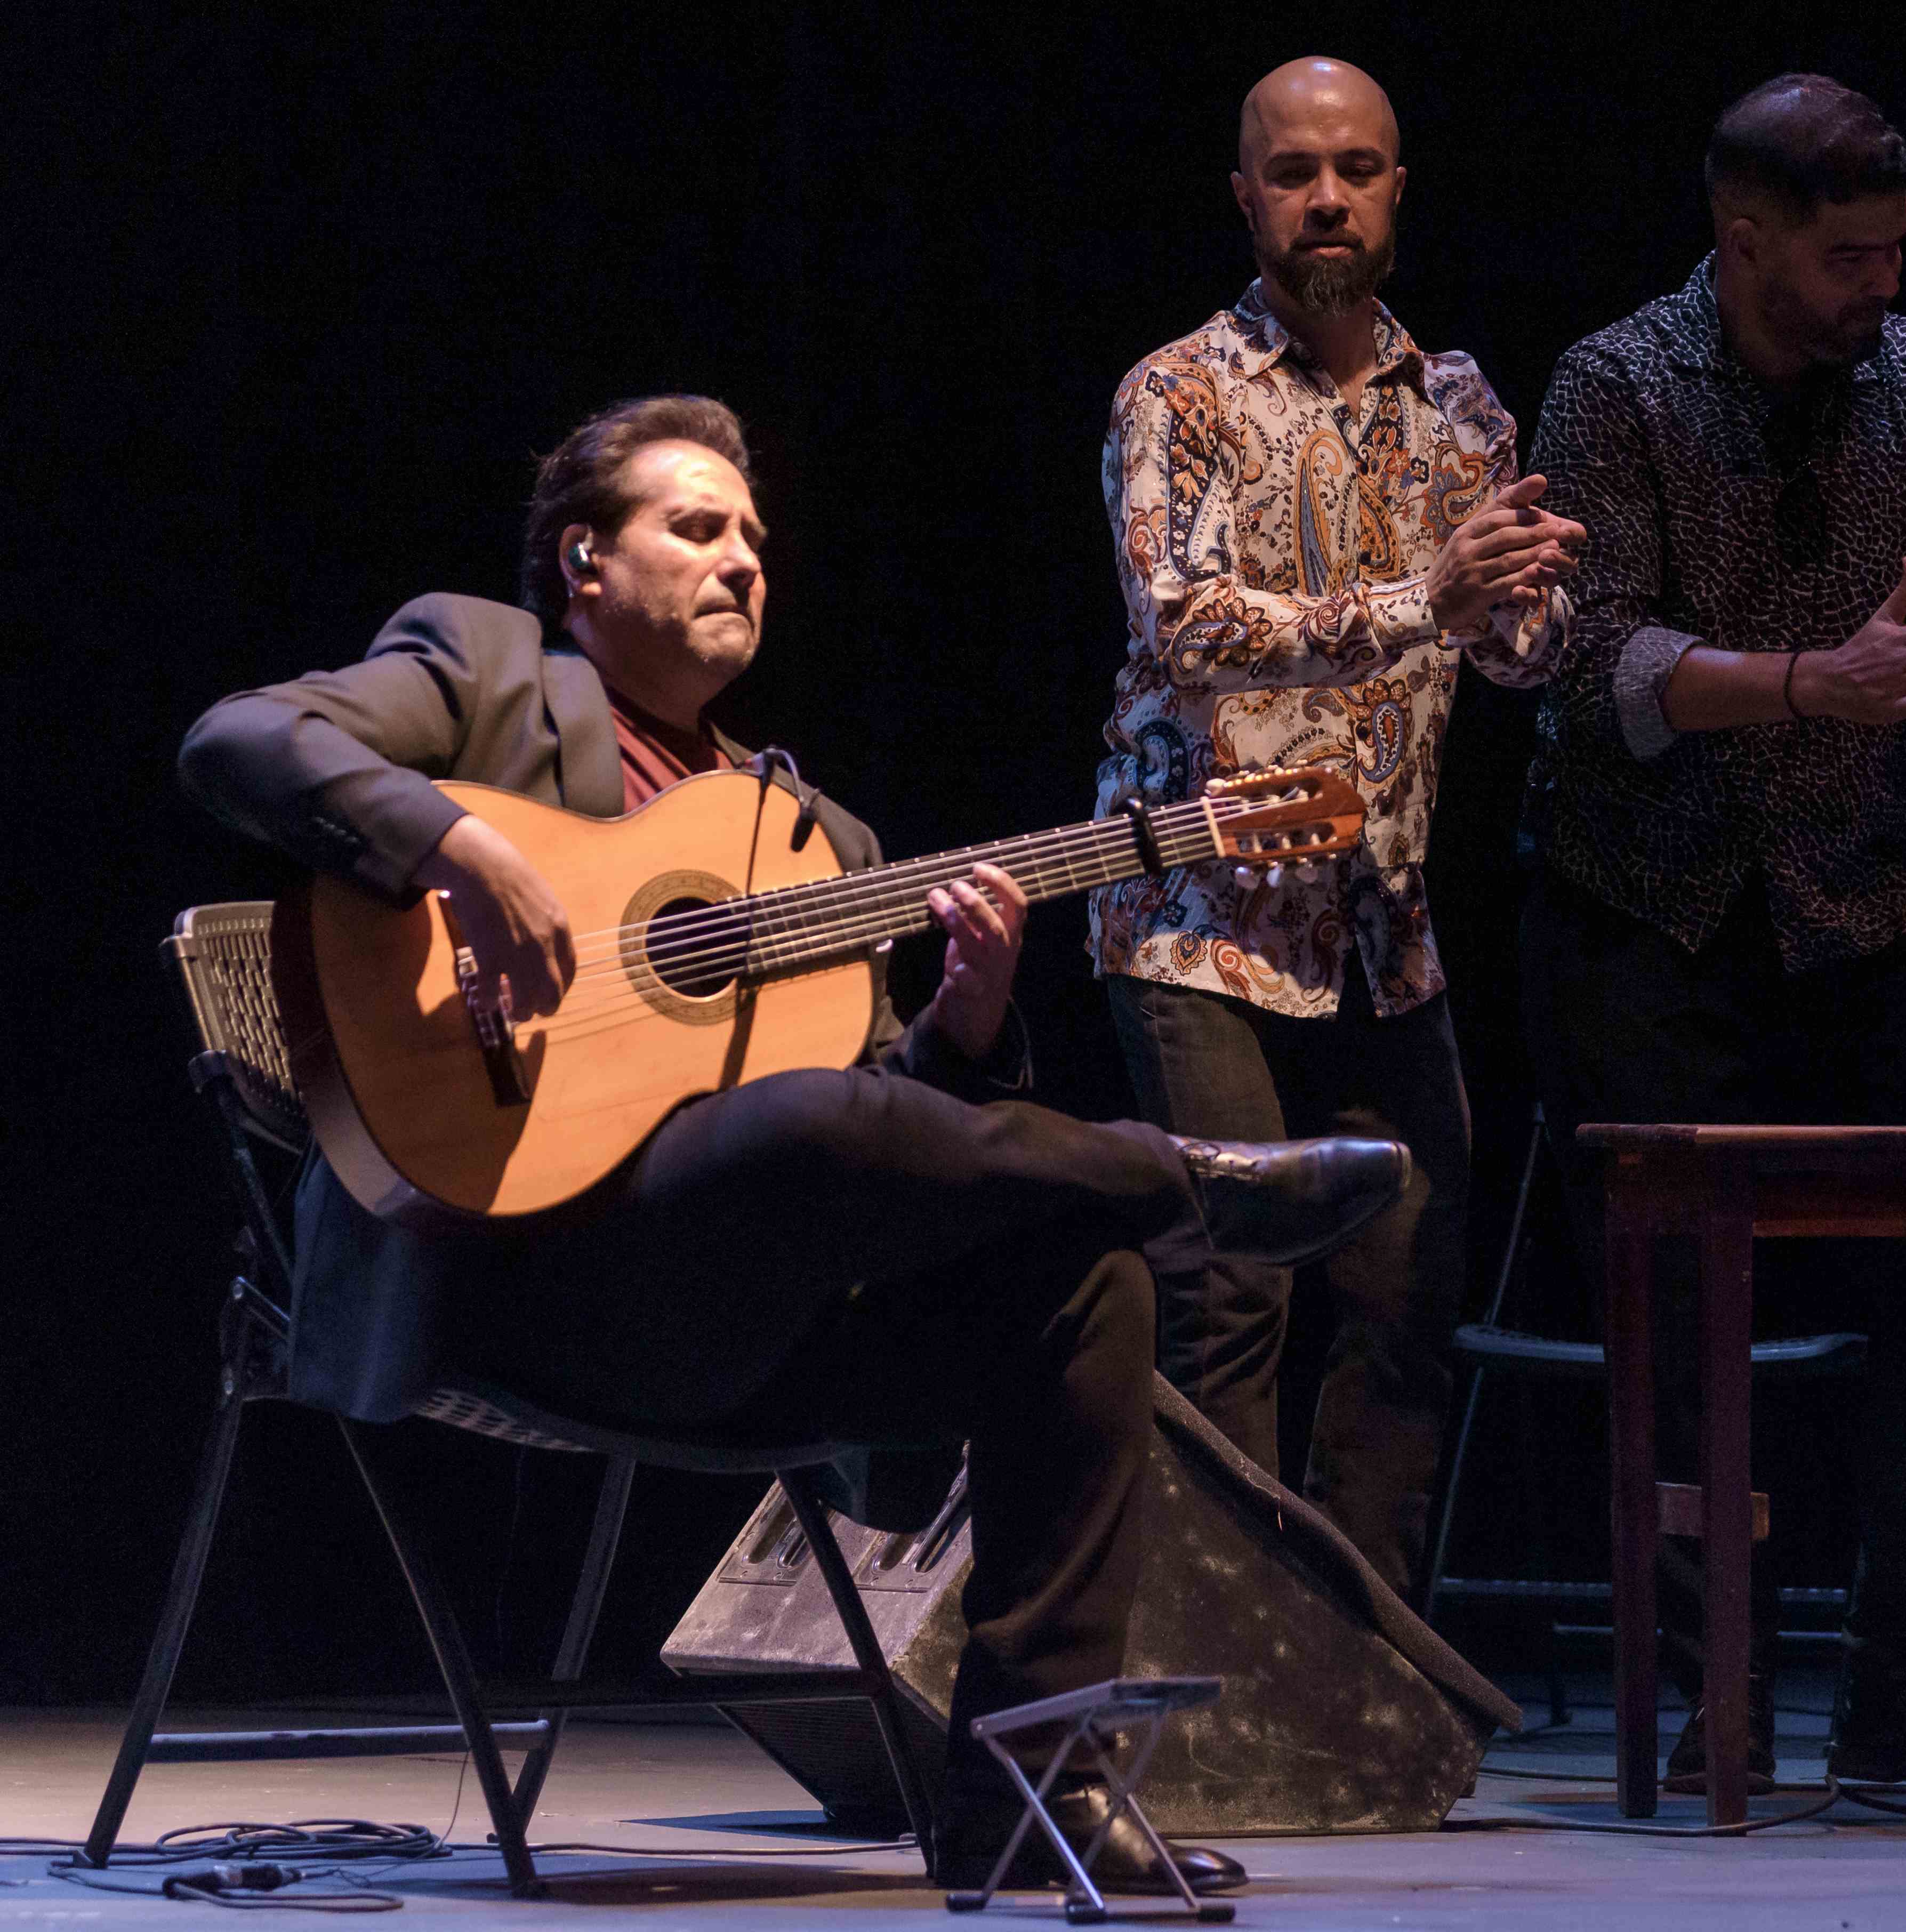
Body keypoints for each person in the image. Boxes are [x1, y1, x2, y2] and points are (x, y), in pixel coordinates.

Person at [177, 395, 1411, 1893]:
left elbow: (881, 1139)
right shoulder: (482, 676)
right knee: (837, 1130)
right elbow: (236, 739)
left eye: (757, 537)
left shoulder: (813, 839)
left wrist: (963, 1031)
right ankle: (1179, 1179)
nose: (744, 560)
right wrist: (457, 842)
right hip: (507, 1277)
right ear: (584, 562)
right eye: (698, 527)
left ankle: (1028, 1797)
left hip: (731, 1325)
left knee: (1089, 1283)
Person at [1517, 74, 1906, 1794]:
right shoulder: (1614, 385)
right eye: (1847, 260)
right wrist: (1809, 684)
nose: (1880, 289)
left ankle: (1904, 1687)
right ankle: (1715, 1696)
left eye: (1896, 253)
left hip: (1854, 899)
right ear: (1744, 241)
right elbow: (1581, 669)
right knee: (1685, 1303)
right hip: (1651, 909)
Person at [1091, 56, 1584, 1597]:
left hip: (1383, 921)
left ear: (1396, 193)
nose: (1327, 198)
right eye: (1294, 171)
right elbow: (1181, 624)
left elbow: (1522, 655)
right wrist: (1421, 600)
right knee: (1233, 1289)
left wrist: (1527, 607)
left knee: (1405, 1287)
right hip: (1198, 913)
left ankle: (1356, 1662)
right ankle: (1220, 1665)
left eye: (1356, 170)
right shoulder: (1176, 393)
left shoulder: (1455, 408)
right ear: (1245, 196)